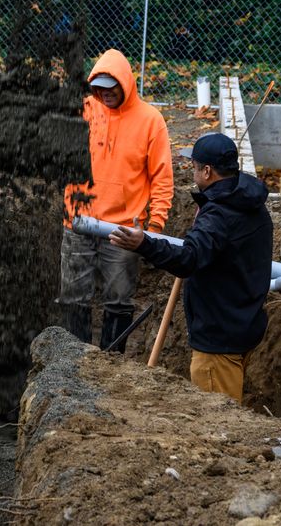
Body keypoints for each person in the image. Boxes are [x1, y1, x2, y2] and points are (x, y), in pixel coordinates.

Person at [108, 132, 272, 403]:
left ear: (207, 171)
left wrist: (143, 244)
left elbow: (188, 259)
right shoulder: (249, 202)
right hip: (245, 324)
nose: (191, 170)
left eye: (194, 166)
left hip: (218, 342)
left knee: (218, 424)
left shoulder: (219, 215)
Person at [62, 49, 173, 352]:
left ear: (125, 84)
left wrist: (154, 229)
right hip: (78, 222)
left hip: (122, 229)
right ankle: (74, 361)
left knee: (119, 299)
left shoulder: (150, 121)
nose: (106, 93)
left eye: (112, 86)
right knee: (74, 296)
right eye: (99, 87)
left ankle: (111, 366)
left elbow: (162, 179)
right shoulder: (82, 112)